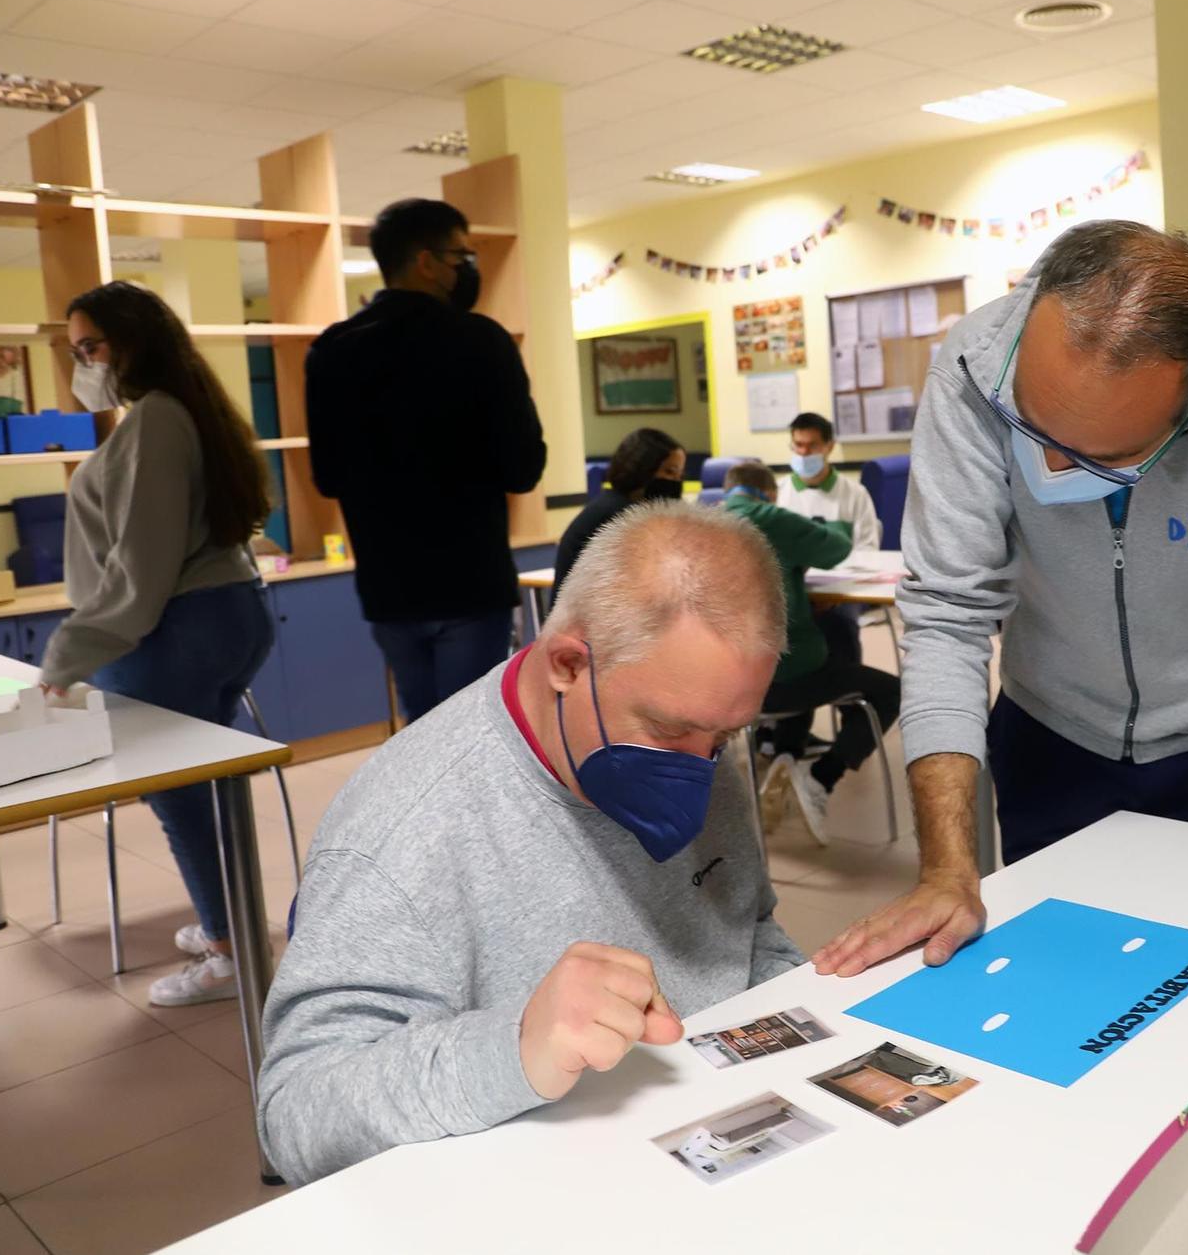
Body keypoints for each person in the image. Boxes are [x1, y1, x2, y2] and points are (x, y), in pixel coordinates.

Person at [814, 221, 1188, 1041]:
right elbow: (947, 619)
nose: (1053, 471)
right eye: (1037, 430)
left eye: (1095, 456)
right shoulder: (974, 365)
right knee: (1056, 1014)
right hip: (1054, 732)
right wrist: (948, 871)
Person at [258, 502, 803, 1185]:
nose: (704, 767)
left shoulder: (694, 713)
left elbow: (748, 934)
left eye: (723, 739)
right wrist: (516, 1045)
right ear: (569, 664)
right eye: (669, 734)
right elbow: (296, 1117)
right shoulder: (404, 832)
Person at [39, 282, 275, 1007]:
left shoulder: (156, 423)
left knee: (178, 796)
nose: (83, 365)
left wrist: (67, 653)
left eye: (91, 349)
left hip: (178, 628)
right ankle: (233, 923)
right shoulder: (185, 411)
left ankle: (231, 952)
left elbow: (139, 573)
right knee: (205, 788)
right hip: (223, 614)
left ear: (133, 342)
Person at [305, 197, 546, 724]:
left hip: (388, 585)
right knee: (474, 735)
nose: (467, 267)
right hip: (469, 580)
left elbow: (326, 476)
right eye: (461, 255)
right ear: (425, 260)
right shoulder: (481, 341)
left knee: (422, 735)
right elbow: (523, 468)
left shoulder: (332, 351)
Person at [721, 462, 900, 846]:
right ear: (769, 493)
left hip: (720, 688)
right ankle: (821, 777)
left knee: (817, 646)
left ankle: (786, 751)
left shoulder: (702, 522)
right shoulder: (770, 517)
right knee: (885, 688)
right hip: (777, 682)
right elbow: (835, 546)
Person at [776, 411, 883, 667]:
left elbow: (867, 551)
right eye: (798, 445)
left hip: (841, 595)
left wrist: (835, 593)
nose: (803, 453)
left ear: (829, 447)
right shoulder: (779, 493)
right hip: (792, 593)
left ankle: (847, 693)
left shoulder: (855, 494)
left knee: (840, 627)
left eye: (811, 445)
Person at [553, 427, 685, 601]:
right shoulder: (618, 515)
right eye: (669, 472)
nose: (675, 482)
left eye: (679, 475)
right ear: (642, 469)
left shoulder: (614, 505)